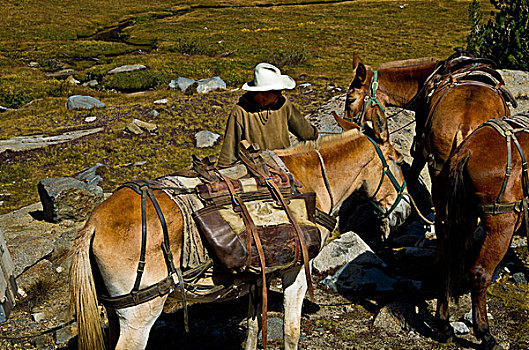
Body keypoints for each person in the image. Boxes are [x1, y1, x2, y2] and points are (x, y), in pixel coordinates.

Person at [217, 63, 318, 166]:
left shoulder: (283, 104)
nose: (280, 94)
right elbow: (229, 149)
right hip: (257, 168)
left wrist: (314, 133)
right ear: (263, 93)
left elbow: (306, 133)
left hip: (285, 163)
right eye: (277, 91)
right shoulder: (240, 112)